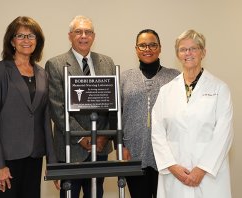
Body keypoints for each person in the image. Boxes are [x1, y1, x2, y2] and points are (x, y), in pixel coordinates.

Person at [0, 16, 56, 198]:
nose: (26, 41)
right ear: (12, 41)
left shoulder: (43, 74)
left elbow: (46, 120)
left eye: (31, 36)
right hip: (5, 160)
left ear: (38, 41)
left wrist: (52, 163)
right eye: (20, 36)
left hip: (34, 158)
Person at [151, 29, 233, 198]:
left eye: (193, 48)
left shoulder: (219, 89)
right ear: (178, 54)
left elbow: (224, 134)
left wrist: (201, 169)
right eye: (183, 49)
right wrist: (172, 166)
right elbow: (157, 132)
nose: (188, 53)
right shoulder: (166, 91)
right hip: (175, 174)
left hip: (209, 175)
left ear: (203, 52)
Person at [45, 15, 116, 198]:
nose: (83, 36)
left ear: (94, 36)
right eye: (78, 32)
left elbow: (113, 105)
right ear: (70, 36)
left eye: (88, 32)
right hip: (71, 146)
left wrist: (102, 137)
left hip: (100, 147)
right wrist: (83, 137)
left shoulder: (107, 62)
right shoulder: (55, 64)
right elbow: (57, 107)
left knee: (96, 194)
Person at [120, 29, 180, 198]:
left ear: (160, 48)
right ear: (136, 49)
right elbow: (115, 115)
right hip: (133, 153)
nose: (148, 49)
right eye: (143, 45)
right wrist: (120, 146)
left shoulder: (174, 77)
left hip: (167, 154)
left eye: (153, 45)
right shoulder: (124, 78)